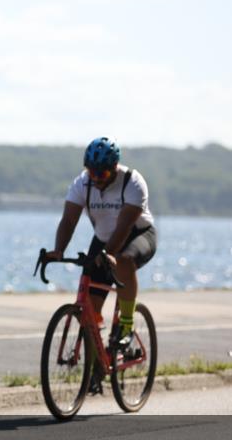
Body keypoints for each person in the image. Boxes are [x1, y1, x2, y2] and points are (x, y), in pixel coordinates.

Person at [45, 137, 157, 389]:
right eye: (91, 171)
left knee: (124, 260)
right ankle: (96, 368)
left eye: (102, 172)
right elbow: (68, 221)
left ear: (115, 168)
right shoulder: (81, 184)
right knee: (89, 307)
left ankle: (126, 327)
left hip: (137, 236)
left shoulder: (132, 182)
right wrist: (58, 250)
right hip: (104, 239)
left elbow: (124, 226)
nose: (95, 177)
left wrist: (109, 254)